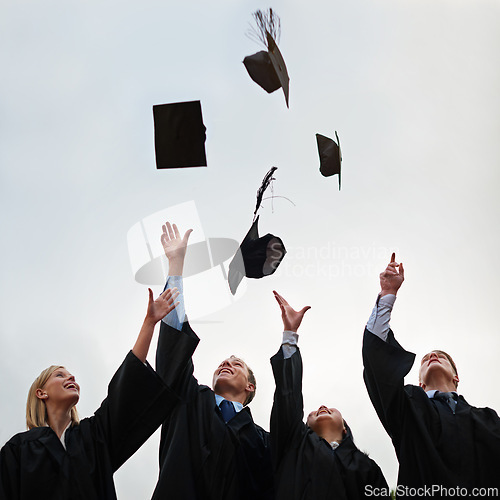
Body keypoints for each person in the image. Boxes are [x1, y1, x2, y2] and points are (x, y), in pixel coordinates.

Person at [0, 288, 180, 500]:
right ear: (41, 393)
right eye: (60, 375)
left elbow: (125, 389)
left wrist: (149, 323)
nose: (71, 378)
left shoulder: (93, 436)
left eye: (71, 375)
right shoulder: (18, 449)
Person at [151, 222, 274, 500]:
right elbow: (173, 349)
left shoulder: (264, 443)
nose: (226, 363)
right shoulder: (189, 400)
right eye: (223, 362)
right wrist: (175, 267)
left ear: (250, 387)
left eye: (237, 364)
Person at [363, 253, 500, 497]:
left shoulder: (489, 421)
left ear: (456, 377)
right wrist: (387, 294)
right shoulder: (408, 408)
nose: (431, 357)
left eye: (441, 356)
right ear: (420, 383)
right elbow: (378, 365)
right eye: (425, 359)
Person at [271, 291, 389, 500]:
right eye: (314, 411)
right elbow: (287, 396)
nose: (323, 407)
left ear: (345, 428)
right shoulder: (293, 447)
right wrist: (290, 333)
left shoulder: (367, 468)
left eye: (331, 410)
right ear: (304, 426)